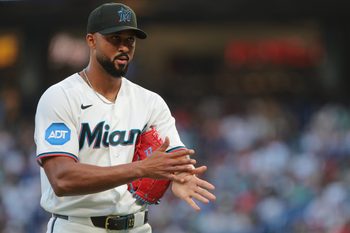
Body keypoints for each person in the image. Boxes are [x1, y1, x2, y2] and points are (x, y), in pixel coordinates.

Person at [34, 2, 216, 233]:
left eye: (130, 40)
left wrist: (180, 174)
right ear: (91, 40)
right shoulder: (60, 97)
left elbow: (173, 157)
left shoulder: (150, 102)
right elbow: (62, 179)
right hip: (77, 226)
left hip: (137, 226)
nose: (124, 47)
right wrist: (141, 168)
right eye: (115, 38)